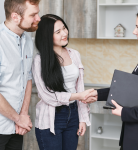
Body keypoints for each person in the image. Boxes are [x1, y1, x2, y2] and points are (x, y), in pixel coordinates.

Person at [82, 6, 138, 150]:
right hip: (134, 137)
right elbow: (130, 90)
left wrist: (124, 112)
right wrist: (97, 94)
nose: (134, 31)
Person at [32, 14, 96, 150]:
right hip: (51, 117)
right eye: (58, 31)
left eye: (64, 28)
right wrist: (78, 96)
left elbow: (80, 88)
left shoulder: (74, 54)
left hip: (73, 114)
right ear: (47, 36)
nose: (64, 33)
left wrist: (83, 119)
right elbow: (47, 95)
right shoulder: (40, 60)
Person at [0, 0, 41, 149]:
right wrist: (18, 118)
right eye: (33, 14)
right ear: (15, 16)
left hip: (16, 127)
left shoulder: (28, 40)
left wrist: (23, 114)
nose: (38, 18)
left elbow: (27, 78)